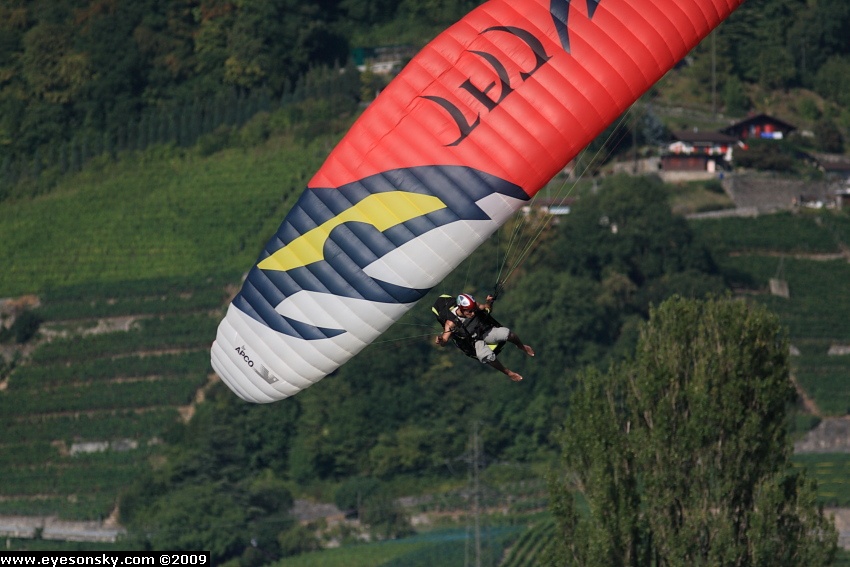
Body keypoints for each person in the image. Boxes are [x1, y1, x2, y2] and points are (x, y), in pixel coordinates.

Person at [434, 293, 534, 382]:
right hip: (474, 341)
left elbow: (487, 309)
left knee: (507, 333)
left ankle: (521, 346)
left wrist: (488, 302)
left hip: (484, 331)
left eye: (473, 310)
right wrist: (440, 340)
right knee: (486, 356)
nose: (473, 313)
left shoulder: (475, 306)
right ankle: (508, 373)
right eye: (470, 311)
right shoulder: (451, 323)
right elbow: (444, 340)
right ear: (462, 309)